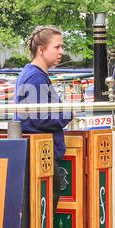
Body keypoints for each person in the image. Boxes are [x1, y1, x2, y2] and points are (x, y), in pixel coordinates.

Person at [15, 26, 73, 189]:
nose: (61, 51)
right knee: (43, 208)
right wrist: (68, 113)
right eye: (57, 47)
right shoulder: (35, 77)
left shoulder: (31, 73)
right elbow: (41, 119)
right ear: (41, 49)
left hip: (38, 153)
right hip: (41, 155)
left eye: (61, 47)